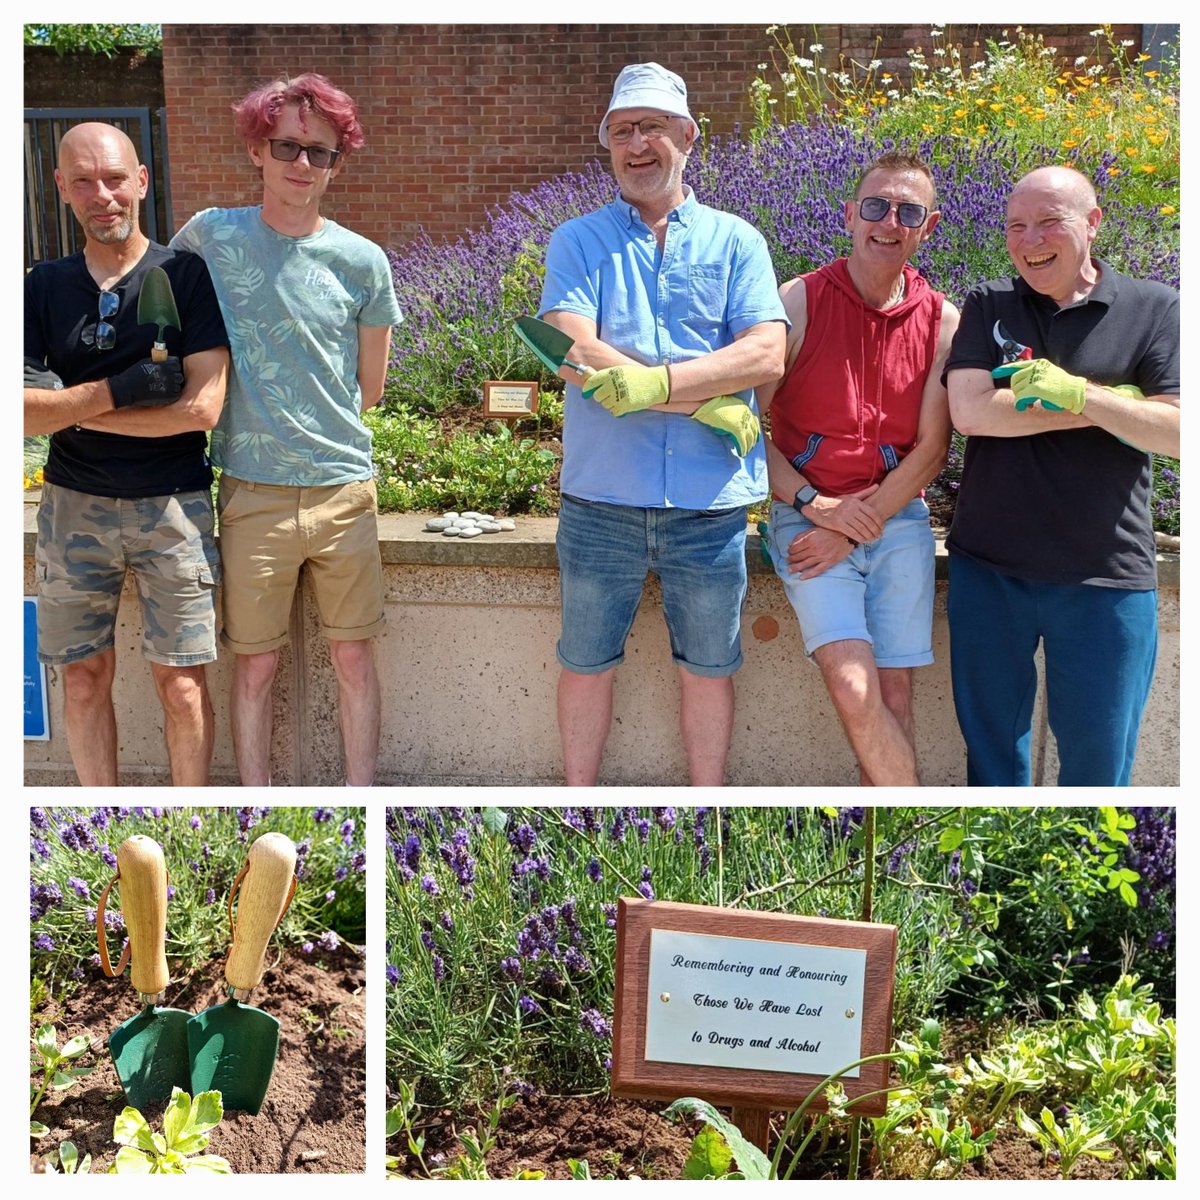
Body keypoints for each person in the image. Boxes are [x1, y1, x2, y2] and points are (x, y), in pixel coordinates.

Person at [538, 62, 787, 786]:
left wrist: (655, 382)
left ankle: (708, 807)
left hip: (709, 506)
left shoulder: (737, 241)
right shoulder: (578, 241)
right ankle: (574, 799)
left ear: (688, 136)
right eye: (621, 130)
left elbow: (765, 351)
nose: (637, 143)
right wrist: (706, 397)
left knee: (709, 670)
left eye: (651, 127)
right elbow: (572, 350)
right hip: (600, 502)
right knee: (584, 663)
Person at [171, 73, 402, 786]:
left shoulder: (363, 261)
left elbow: (371, 387)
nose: (303, 164)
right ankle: (254, 800)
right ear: (258, 150)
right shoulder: (213, 235)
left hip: (342, 492)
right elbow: (160, 301)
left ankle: (362, 796)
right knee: (254, 664)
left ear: (338, 162)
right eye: (288, 147)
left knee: (355, 660)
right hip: (252, 493)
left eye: (321, 152)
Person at [945, 165, 1179, 786]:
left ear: (1094, 223)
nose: (1030, 240)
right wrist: (1117, 405)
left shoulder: (1154, 308)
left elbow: (1179, 433)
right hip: (988, 570)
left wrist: (1079, 395)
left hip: (1106, 576)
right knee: (992, 766)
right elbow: (969, 413)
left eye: (1050, 221)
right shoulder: (988, 303)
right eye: (1016, 226)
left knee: (1099, 772)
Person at [24, 122, 230, 786]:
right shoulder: (42, 287)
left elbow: (201, 410)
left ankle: (192, 815)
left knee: (183, 684)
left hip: (174, 509)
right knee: (82, 679)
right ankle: (99, 815)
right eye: (83, 181)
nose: (101, 195)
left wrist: (74, 411)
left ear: (141, 179)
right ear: (61, 189)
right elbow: (20, 414)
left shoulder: (183, 275)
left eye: (114, 178)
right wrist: (121, 390)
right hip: (71, 509)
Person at [759, 152, 959, 786]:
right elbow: (743, 429)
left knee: (895, 696)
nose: (888, 221)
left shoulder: (942, 320)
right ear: (850, 215)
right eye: (875, 206)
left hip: (897, 520)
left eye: (908, 211)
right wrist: (815, 505)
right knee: (852, 683)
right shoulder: (800, 301)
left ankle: (900, 850)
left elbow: (931, 450)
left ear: (928, 226)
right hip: (805, 515)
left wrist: (852, 525)